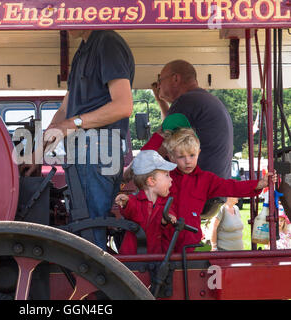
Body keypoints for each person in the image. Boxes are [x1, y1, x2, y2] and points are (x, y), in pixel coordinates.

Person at [34, 30, 135, 251]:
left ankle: (93, 283)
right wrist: (36, 153)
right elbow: (64, 110)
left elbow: (123, 106)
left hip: (97, 148)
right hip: (86, 149)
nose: (62, 23)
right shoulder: (82, 50)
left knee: (90, 230)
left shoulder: (107, 43)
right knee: (84, 226)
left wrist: (72, 124)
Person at [161, 127, 276, 253]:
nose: (188, 161)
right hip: (164, 244)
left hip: (190, 244)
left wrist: (259, 184)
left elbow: (231, 186)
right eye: (181, 157)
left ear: (199, 153)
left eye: (192, 155)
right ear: (171, 157)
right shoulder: (165, 177)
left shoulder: (206, 179)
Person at [152, 59, 233, 179]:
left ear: (175, 78)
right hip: (213, 189)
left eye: (160, 80)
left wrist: (129, 173)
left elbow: (158, 147)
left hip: (199, 191)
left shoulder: (186, 101)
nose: (159, 86)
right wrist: (161, 102)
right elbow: (171, 128)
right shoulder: (203, 100)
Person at [115, 150, 177, 254]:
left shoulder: (165, 203)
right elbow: (130, 209)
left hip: (155, 255)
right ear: (151, 181)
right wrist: (125, 202)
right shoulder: (135, 201)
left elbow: (169, 214)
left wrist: (168, 218)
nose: (171, 179)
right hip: (133, 257)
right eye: (167, 175)